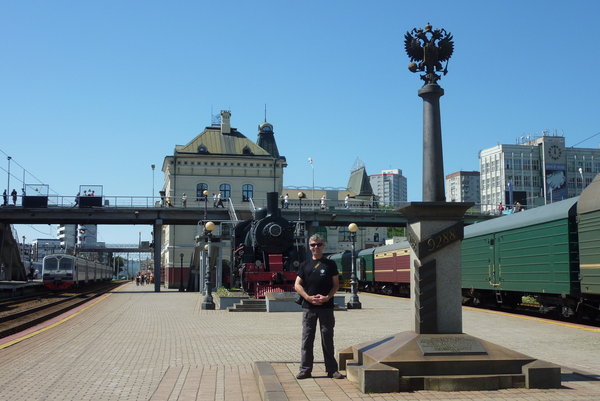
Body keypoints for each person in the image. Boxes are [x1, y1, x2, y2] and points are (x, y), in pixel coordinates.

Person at [294, 234, 344, 380]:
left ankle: (332, 370)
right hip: (309, 308)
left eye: (319, 244)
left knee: (327, 338)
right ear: (309, 247)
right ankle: (305, 370)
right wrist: (308, 297)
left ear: (323, 246)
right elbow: (297, 285)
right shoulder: (304, 265)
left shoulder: (330, 264)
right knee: (307, 339)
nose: (316, 247)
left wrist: (327, 297)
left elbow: (336, 285)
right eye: (313, 245)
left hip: (326, 307)